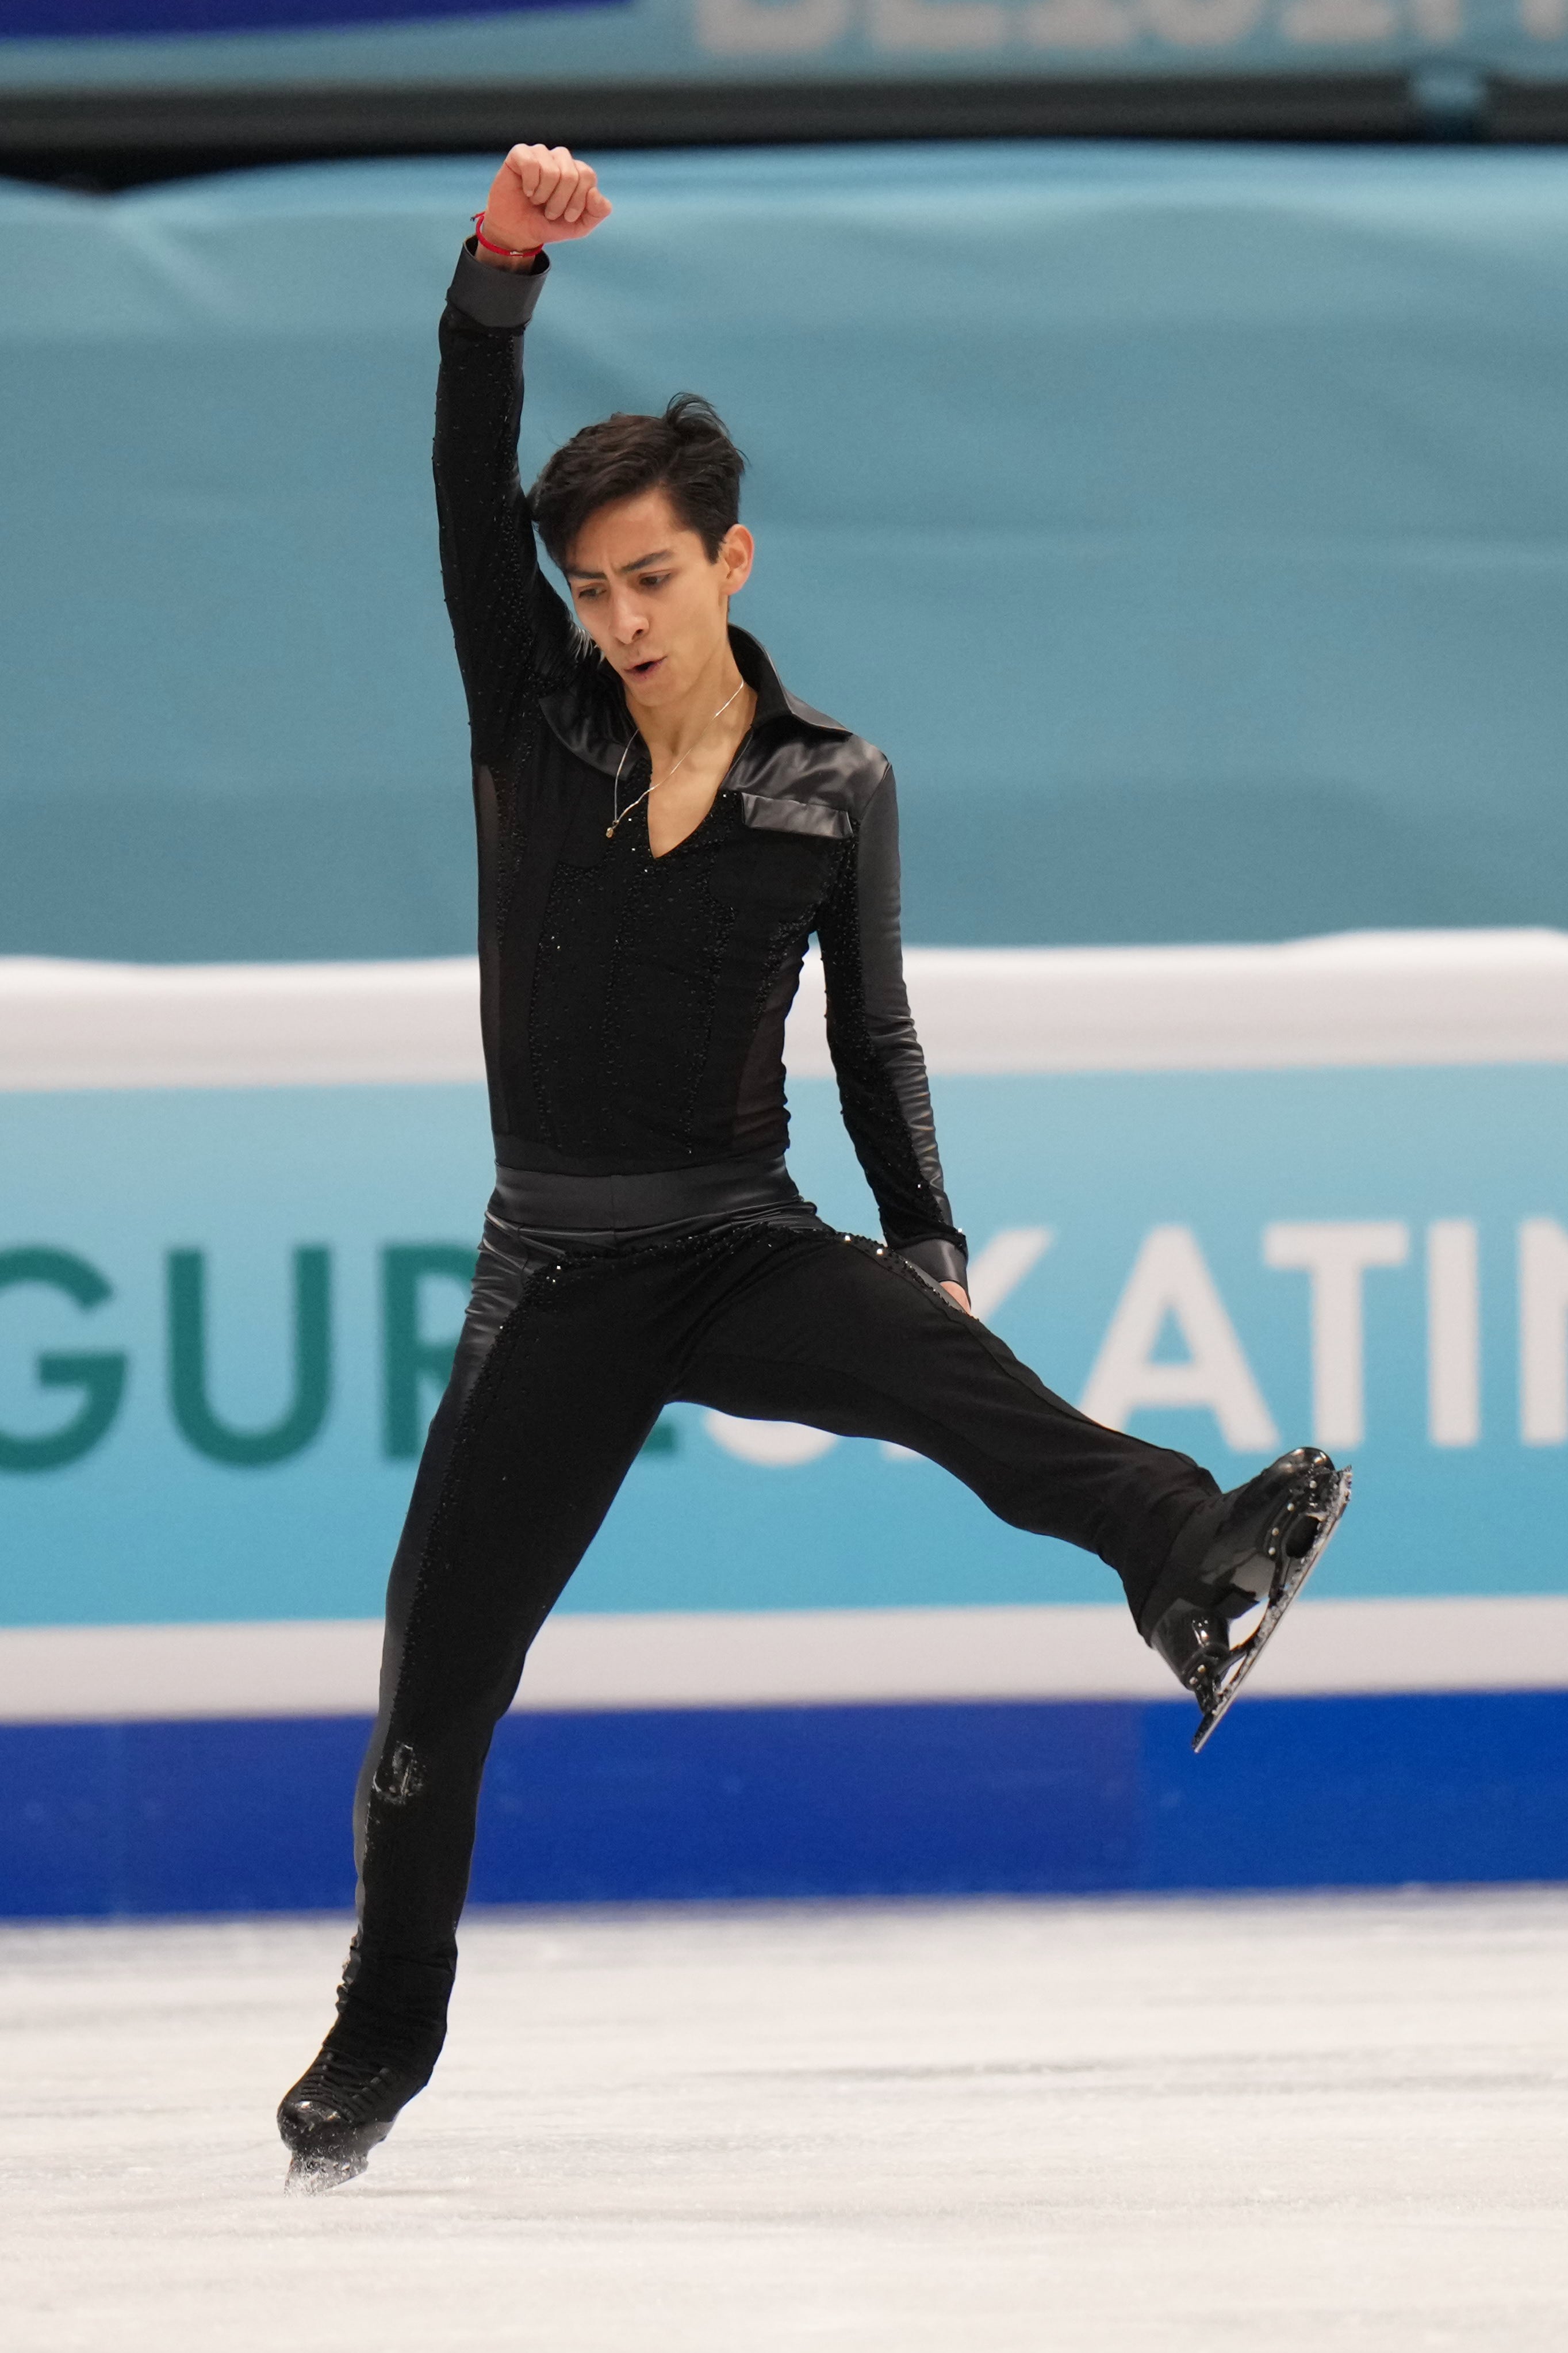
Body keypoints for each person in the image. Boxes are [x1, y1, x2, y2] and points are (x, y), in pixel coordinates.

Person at [277, 144, 1350, 2190]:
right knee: (441, 1673)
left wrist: (926, 1225)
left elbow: (872, 1030)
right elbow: (458, 448)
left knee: (985, 1400)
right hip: (558, 1278)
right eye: (588, 589)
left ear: (733, 560)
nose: (617, 621)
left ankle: (1197, 1567)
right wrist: (501, 262)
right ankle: (379, 2030)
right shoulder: (532, 717)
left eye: (650, 581)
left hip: (744, 1239)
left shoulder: (828, 781)